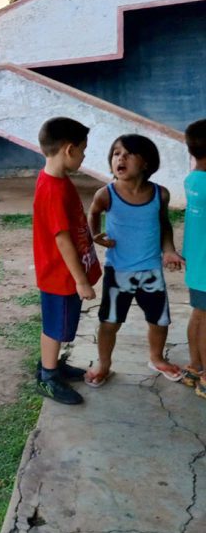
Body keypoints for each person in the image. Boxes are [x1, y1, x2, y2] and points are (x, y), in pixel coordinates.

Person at [85, 135, 184, 386]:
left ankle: (157, 358)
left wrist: (169, 250)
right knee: (109, 322)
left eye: (129, 154)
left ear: (146, 163)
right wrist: (95, 235)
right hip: (118, 272)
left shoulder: (160, 194)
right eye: (116, 153)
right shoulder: (106, 194)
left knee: (159, 320)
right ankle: (104, 364)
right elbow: (93, 213)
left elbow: (163, 224)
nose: (121, 158)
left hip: (151, 271)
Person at [33, 117, 102, 405]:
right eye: (84, 150)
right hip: (59, 276)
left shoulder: (59, 180)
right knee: (55, 327)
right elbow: (62, 240)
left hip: (64, 274)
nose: (84, 156)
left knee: (60, 324)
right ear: (69, 149)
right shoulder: (52, 189)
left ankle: (53, 364)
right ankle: (48, 376)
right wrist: (81, 280)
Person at [181, 119, 206, 397]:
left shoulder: (193, 180)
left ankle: (194, 366)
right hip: (205, 265)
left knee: (199, 315)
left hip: (197, 263)